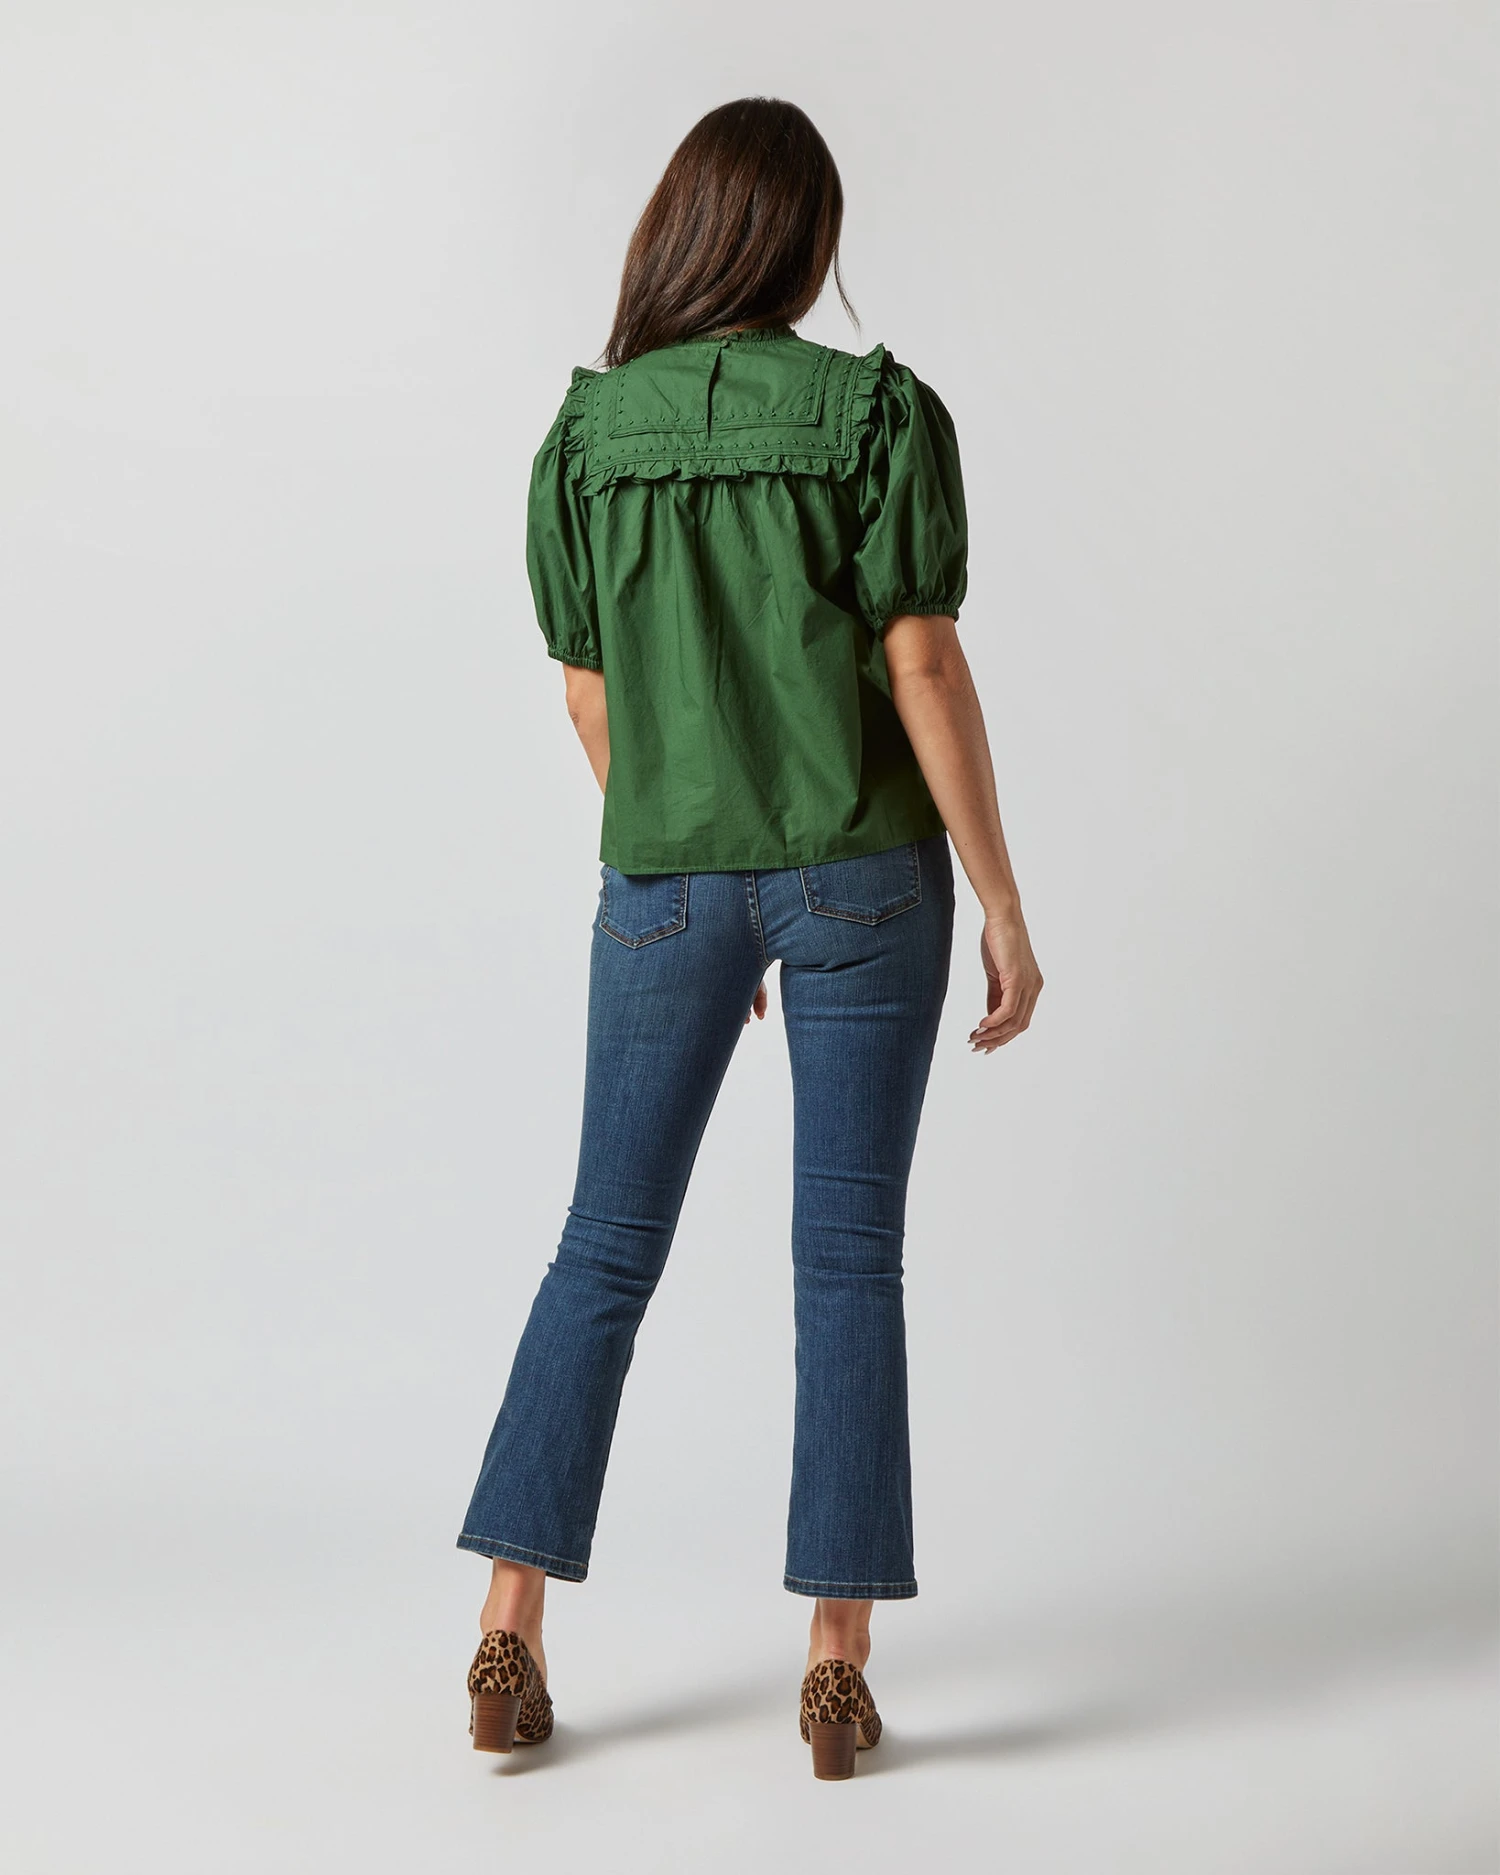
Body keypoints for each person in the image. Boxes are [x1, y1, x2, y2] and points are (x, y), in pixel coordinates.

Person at [456, 95, 1042, 1781]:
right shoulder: (873, 414)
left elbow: (590, 698)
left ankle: (507, 1623)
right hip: (866, 872)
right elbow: (920, 664)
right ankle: (835, 1667)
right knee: (847, 1261)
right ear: (803, 243)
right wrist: (1002, 895)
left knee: (601, 1246)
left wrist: (698, 865)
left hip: (665, 876)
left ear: (681, 229)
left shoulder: (587, 437)